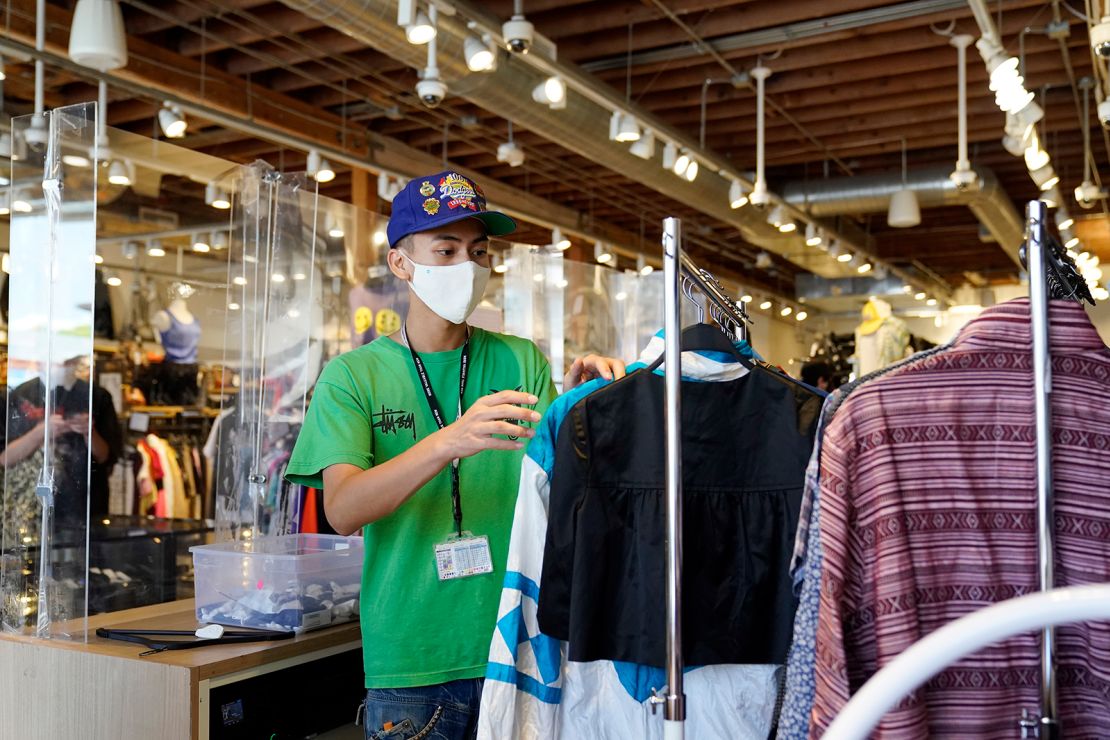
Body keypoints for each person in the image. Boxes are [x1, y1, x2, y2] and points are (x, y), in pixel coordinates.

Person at [285, 171, 626, 740]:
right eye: (445, 250)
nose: (466, 265)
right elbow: (343, 509)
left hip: (521, 643)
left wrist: (576, 409)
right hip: (416, 657)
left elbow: (558, 486)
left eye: (478, 251)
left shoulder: (520, 360)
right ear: (400, 263)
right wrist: (450, 440)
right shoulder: (353, 377)